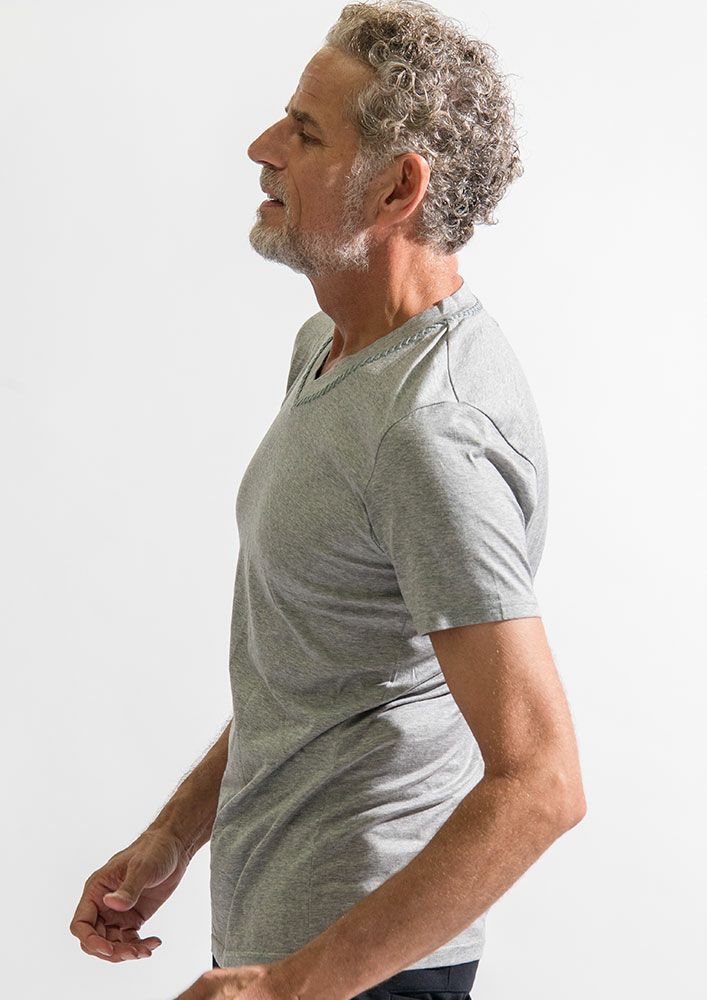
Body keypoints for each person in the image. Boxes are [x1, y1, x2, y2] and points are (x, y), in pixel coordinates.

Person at [70, 3, 586, 998]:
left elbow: (542, 782)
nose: (262, 148)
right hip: (291, 948)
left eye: (305, 134)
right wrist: (175, 834)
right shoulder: (332, 349)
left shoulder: (428, 432)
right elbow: (325, 670)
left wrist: (290, 985)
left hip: (359, 971)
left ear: (396, 188)